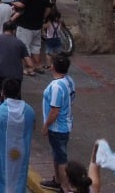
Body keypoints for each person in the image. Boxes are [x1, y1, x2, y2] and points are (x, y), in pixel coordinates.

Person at [42, 56, 76, 189]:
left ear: (53, 67)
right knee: (57, 154)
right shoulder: (69, 81)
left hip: (57, 128)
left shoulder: (56, 86)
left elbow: (54, 111)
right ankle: (57, 181)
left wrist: (46, 126)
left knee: (61, 159)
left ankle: (65, 187)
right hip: (65, 124)